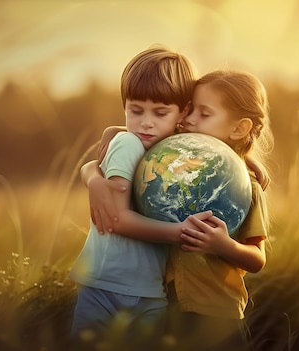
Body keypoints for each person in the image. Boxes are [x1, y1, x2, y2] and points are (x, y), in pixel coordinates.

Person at [83, 69, 274, 350]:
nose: (188, 120)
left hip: (218, 316)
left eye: (203, 114)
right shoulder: (172, 160)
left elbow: (257, 259)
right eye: (189, 110)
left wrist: (223, 245)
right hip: (164, 308)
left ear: (238, 129)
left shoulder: (245, 188)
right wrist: (108, 140)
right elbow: (144, 131)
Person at [68, 44, 213, 347]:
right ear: (124, 105)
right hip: (106, 287)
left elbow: (212, 146)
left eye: (160, 113)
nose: (146, 122)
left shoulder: (174, 150)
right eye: (135, 111)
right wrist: (179, 233)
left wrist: (247, 160)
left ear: (183, 112)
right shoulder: (128, 145)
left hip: (150, 291)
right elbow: (118, 220)